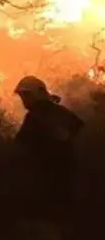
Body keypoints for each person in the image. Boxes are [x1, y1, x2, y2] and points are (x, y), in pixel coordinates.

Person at [13, 75, 83, 207]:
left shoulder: (35, 116)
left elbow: (20, 144)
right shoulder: (61, 112)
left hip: (46, 178)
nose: (24, 100)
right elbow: (80, 130)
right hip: (68, 177)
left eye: (26, 95)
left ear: (36, 94)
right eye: (22, 96)